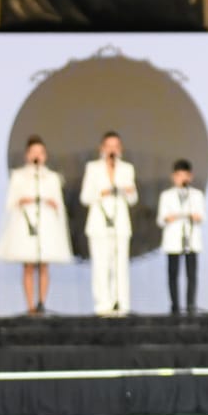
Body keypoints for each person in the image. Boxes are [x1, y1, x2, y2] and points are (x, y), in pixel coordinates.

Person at [0, 136, 74, 315]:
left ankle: (42, 302)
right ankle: (29, 305)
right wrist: (25, 200)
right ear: (27, 155)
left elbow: (59, 204)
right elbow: (10, 203)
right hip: (26, 222)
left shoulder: (52, 177)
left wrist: (51, 203)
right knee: (28, 265)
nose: (37, 155)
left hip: (46, 223)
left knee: (44, 265)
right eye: (33, 152)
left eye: (40, 152)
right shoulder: (19, 176)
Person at [80, 131, 139, 316]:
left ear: (120, 149)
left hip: (120, 223)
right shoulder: (93, 168)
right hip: (99, 223)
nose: (112, 150)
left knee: (120, 264)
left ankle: (121, 302)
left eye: (116, 146)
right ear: (102, 148)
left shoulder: (127, 168)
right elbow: (85, 197)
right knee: (100, 264)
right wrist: (102, 193)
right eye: (109, 146)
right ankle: (102, 304)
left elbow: (133, 198)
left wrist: (126, 190)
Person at [158, 159, 207, 316]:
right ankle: (175, 305)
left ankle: (191, 304)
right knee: (173, 274)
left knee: (191, 274)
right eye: (179, 175)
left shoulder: (196, 195)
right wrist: (171, 217)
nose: (182, 179)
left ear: (190, 177)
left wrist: (193, 216)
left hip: (191, 239)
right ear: (174, 177)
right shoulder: (166, 195)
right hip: (173, 240)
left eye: (185, 175)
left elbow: (202, 216)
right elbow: (160, 219)